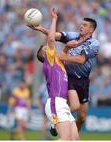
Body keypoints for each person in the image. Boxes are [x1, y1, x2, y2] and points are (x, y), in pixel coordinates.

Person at [28, 13, 99, 132]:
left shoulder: (94, 44)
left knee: (81, 117)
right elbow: (54, 36)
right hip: (69, 76)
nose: (81, 26)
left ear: (91, 30)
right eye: (81, 24)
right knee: (74, 106)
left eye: (85, 25)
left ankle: (73, 134)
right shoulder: (73, 36)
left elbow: (81, 60)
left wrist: (61, 56)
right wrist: (40, 28)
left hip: (83, 80)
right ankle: (57, 121)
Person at [35, 8, 79, 140]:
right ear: (45, 55)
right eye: (45, 49)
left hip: (63, 104)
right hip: (56, 102)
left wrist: (67, 46)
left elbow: (63, 55)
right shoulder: (49, 61)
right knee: (65, 139)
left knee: (75, 139)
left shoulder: (57, 63)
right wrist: (54, 19)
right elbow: (51, 39)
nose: (48, 48)